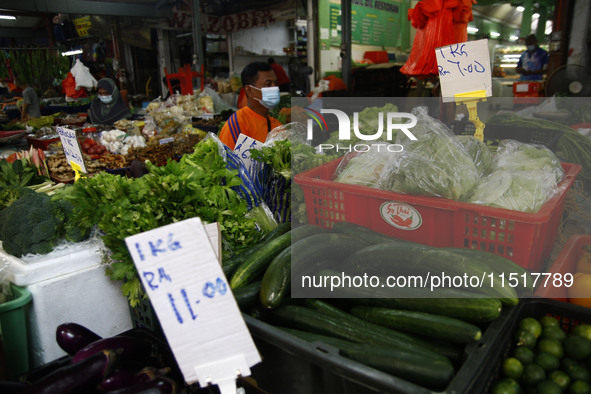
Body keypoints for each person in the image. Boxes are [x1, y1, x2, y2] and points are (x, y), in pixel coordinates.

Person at [219, 62, 283, 150]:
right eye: (268, 84)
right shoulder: (238, 123)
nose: (274, 88)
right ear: (250, 91)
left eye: (275, 83)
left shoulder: (277, 126)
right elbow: (227, 160)